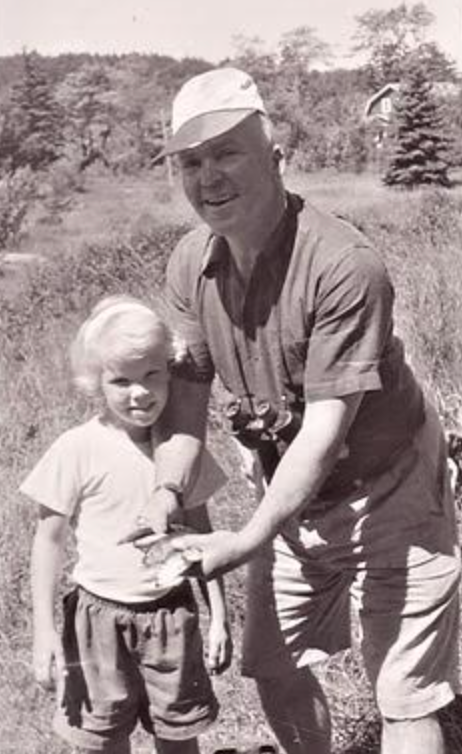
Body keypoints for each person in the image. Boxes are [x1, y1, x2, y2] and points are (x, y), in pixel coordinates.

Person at [140, 68, 461, 754]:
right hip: (288, 495)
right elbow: (186, 415)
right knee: (275, 667)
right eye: (190, 162)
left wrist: (245, 539)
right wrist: (167, 488)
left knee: (400, 693)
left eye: (228, 153)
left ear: (276, 160)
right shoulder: (190, 264)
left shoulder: (344, 263)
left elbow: (323, 431)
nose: (209, 178)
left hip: (390, 490)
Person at [21, 295, 232, 754]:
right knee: (102, 740)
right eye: (121, 381)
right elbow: (48, 540)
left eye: (152, 375)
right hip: (98, 616)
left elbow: (202, 536)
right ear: (96, 383)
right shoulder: (77, 448)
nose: (140, 393)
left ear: (170, 370)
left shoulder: (183, 450)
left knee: (178, 736)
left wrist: (219, 615)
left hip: (170, 614)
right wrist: (44, 631)